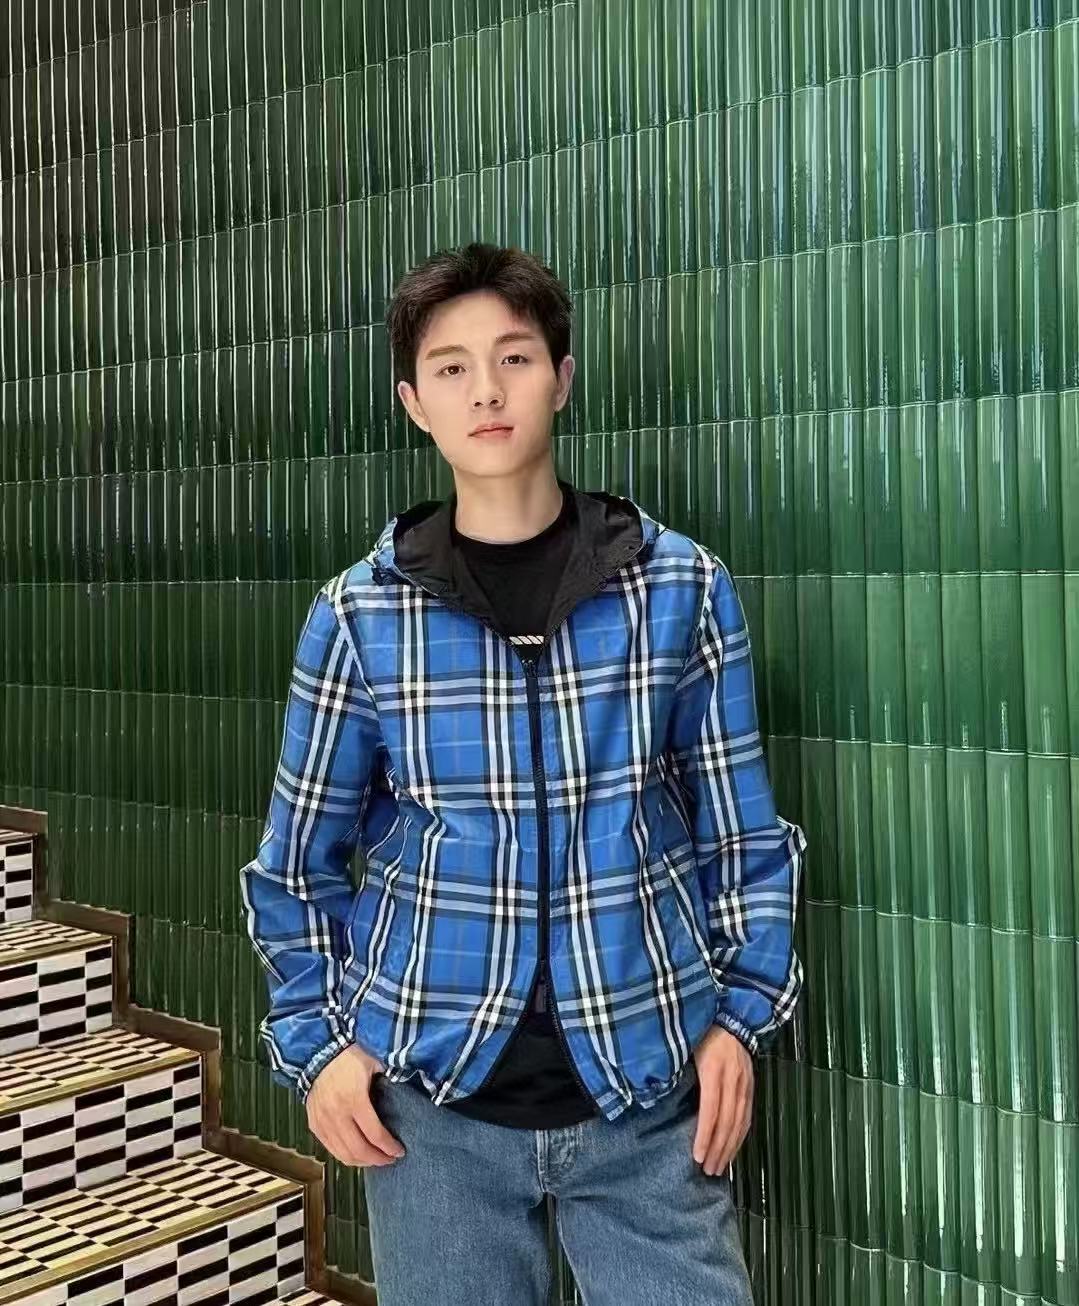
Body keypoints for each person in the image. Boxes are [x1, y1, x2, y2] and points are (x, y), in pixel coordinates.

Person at [240, 242, 807, 1305]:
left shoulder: (679, 588)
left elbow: (742, 837)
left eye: (514, 357)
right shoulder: (360, 615)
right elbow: (296, 864)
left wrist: (739, 1017)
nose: (486, 390)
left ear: (561, 375)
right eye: (450, 367)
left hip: (646, 1096)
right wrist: (315, 1048)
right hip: (431, 1114)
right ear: (414, 403)